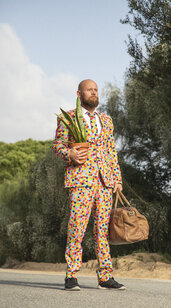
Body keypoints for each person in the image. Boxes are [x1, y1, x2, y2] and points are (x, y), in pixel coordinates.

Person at [53, 79, 126, 291]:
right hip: (81, 181)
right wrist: (70, 153)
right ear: (79, 93)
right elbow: (57, 145)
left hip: (105, 183)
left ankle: (105, 276)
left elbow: (111, 151)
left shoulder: (106, 119)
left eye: (95, 90)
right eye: (89, 90)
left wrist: (117, 180)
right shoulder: (67, 118)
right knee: (77, 229)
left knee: (103, 232)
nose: (93, 93)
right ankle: (71, 276)